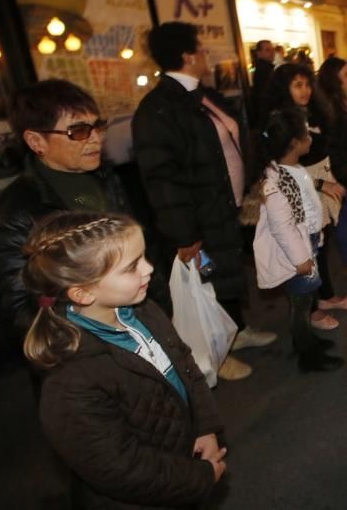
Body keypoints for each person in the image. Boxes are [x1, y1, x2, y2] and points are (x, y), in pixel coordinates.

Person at [23, 211, 226, 508]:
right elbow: (122, 468)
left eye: (143, 257)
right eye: (132, 267)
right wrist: (198, 478)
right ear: (82, 293)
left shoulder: (143, 309)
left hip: (182, 456)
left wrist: (204, 426)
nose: (149, 269)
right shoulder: (70, 381)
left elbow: (186, 365)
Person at [132, 22, 275, 382]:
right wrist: (184, 234)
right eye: (201, 48)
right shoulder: (159, 108)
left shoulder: (204, 96)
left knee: (227, 276)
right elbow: (162, 179)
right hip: (200, 217)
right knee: (209, 283)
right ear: (187, 55)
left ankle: (236, 332)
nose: (207, 55)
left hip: (225, 208)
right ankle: (216, 351)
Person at [0, 80, 169, 339]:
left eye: (97, 126)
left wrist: (161, 310)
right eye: (79, 131)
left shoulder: (107, 177)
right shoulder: (18, 210)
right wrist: (87, 344)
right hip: (90, 346)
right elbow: (22, 308)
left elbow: (140, 250)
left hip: (142, 319)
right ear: (36, 140)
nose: (96, 138)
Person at [254, 62, 347, 329]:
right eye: (297, 85)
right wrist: (320, 184)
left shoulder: (308, 110)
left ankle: (324, 296)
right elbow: (285, 167)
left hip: (315, 179)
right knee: (307, 247)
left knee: (320, 244)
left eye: (307, 83)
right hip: (304, 186)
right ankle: (312, 310)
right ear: (284, 88)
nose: (305, 90)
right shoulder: (283, 119)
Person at [253, 109, 344, 371]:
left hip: (306, 244)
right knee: (301, 305)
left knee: (305, 300)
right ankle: (307, 354)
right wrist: (301, 259)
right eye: (306, 133)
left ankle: (306, 342)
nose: (311, 136)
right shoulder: (275, 183)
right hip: (297, 252)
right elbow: (283, 227)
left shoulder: (288, 168)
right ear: (294, 142)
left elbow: (302, 184)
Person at [316, 56, 347, 272]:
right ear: (333, 80)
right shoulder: (333, 108)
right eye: (345, 74)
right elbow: (336, 147)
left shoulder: (346, 101)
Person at [250, 39, 276, 126]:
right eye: (268, 50)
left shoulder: (266, 68)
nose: (272, 53)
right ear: (259, 53)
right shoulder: (264, 70)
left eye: (273, 50)